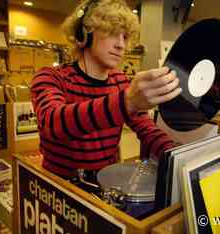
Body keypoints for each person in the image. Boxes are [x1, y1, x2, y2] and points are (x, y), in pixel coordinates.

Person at [30, 0, 182, 181]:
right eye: (112, 33)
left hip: (104, 184)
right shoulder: (50, 77)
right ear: (84, 35)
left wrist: (178, 158)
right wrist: (127, 102)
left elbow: (147, 130)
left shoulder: (120, 82)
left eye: (125, 37)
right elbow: (53, 124)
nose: (121, 45)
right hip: (58, 192)